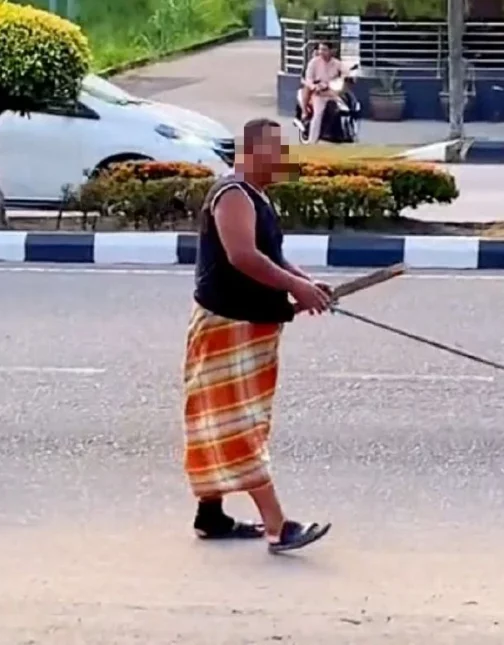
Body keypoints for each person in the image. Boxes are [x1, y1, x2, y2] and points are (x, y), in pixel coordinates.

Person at [183, 117, 334, 554]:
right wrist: (294, 288)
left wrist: (307, 283)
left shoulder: (255, 196)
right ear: (251, 151)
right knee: (235, 424)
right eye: (275, 151)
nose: (281, 160)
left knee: (222, 419)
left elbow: (274, 256)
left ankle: (210, 514)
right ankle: (278, 526)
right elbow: (243, 257)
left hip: (249, 323)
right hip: (228, 323)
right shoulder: (232, 194)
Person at [300, 41, 344, 143]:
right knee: (318, 114)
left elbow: (345, 71)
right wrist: (314, 86)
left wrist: (349, 76)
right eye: (320, 49)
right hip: (319, 93)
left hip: (332, 92)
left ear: (331, 51)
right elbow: (308, 78)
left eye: (324, 50)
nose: (321, 52)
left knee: (345, 105)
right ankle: (312, 141)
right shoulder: (314, 63)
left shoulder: (336, 63)